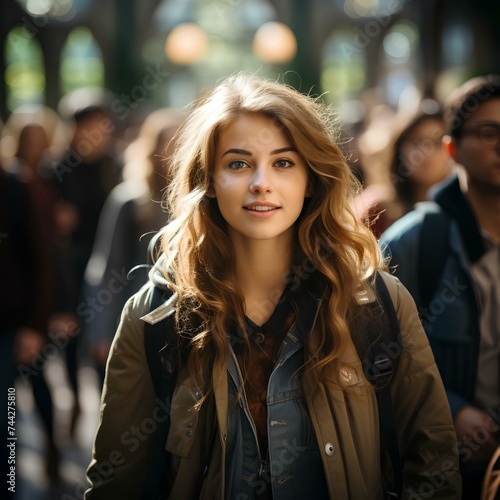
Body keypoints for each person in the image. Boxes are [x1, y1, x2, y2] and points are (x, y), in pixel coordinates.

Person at [84, 74, 461, 499]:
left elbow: (434, 464)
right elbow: (115, 483)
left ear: (311, 179)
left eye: (283, 162)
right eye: (238, 163)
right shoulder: (153, 316)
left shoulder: (379, 302)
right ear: (208, 179)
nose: (261, 182)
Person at [380, 74, 500, 499]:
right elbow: (374, 353)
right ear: (452, 148)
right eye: (488, 132)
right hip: (447, 466)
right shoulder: (413, 241)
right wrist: (453, 411)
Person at [82, 108, 183, 387]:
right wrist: (101, 331)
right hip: (135, 318)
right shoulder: (129, 200)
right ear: (152, 147)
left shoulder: (197, 201)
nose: (174, 151)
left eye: (182, 143)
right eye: (167, 142)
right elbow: (106, 266)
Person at [388, 109, 452, 218]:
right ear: (399, 148)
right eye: (416, 141)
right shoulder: (378, 210)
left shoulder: (472, 206)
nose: (426, 152)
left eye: (436, 142)